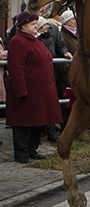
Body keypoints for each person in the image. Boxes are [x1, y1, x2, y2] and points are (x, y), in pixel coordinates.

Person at [6, 12, 63, 163]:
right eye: (32, 24)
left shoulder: (34, 40)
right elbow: (16, 68)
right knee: (23, 124)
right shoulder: (17, 41)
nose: (35, 26)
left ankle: (32, 150)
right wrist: (21, 91)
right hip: (28, 91)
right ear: (23, 26)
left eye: (36, 23)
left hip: (40, 91)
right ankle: (22, 153)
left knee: (38, 122)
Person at [36, 16, 72, 141]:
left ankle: (53, 131)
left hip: (55, 72)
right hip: (39, 74)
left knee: (54, 101)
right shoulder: (32, 34)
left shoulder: (54, 30)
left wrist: (64, 52)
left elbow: (60, 45)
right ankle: (41, 132)